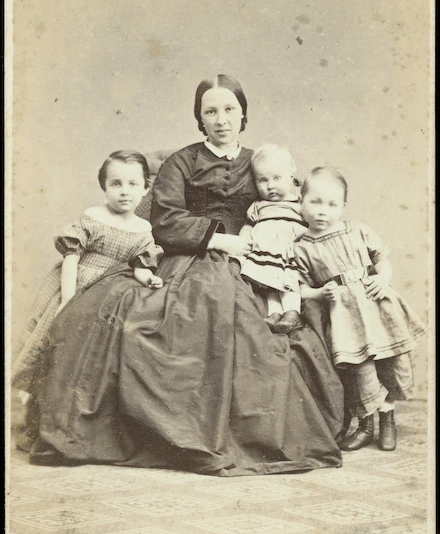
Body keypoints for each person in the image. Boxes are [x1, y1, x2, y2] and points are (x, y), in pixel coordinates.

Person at [29, 75, 344, 474]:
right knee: (157, 318)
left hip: (254, 259)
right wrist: (217, 241)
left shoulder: (260, 162)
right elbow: (165, 218)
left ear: (243, 113)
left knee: (258, 336)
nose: (221, 119)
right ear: (200, 118)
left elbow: (291, 202)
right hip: (188, 255)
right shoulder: (182, 161)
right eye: (210, 111)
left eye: (229, 109)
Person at [13, 150, 163, 449]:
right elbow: (72, 257)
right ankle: (35, 409)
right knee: (51, 347)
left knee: (82, 357)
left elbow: (139, 266)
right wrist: (68, 297)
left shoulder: (143, 229)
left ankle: (69, 417)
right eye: (116, 183)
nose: (124, 191)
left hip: (103, 296)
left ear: (146, 188)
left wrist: (150, 278)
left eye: (133, 184)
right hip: (73, 286)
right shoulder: (93, 217)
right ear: (104, 186)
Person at [293, 166, 426, 452]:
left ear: (342, 207)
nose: (322, 211)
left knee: (386, 362)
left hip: (374, 304)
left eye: (332, 204)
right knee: (359, 368)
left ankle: (387, 417)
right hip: (343, 316)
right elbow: (299, 288)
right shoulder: (301, 247)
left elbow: (382, 261)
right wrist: (318, 292)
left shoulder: (357, 231)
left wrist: (383, 277)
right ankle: (366, 425)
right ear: (300, 201)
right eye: (314, 202)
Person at [237, 144, 306, 334]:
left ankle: (292, 313)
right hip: (265, 251)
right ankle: (275, 313)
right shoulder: (258, 206)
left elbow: (313, 226)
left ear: (292, 175)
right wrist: (243, 241)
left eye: (277, 178)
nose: (270, 185)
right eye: (262, 180)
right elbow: (248, 226)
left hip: (289, 250)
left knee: (288, 278)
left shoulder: (300, 204)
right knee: (269, 282)